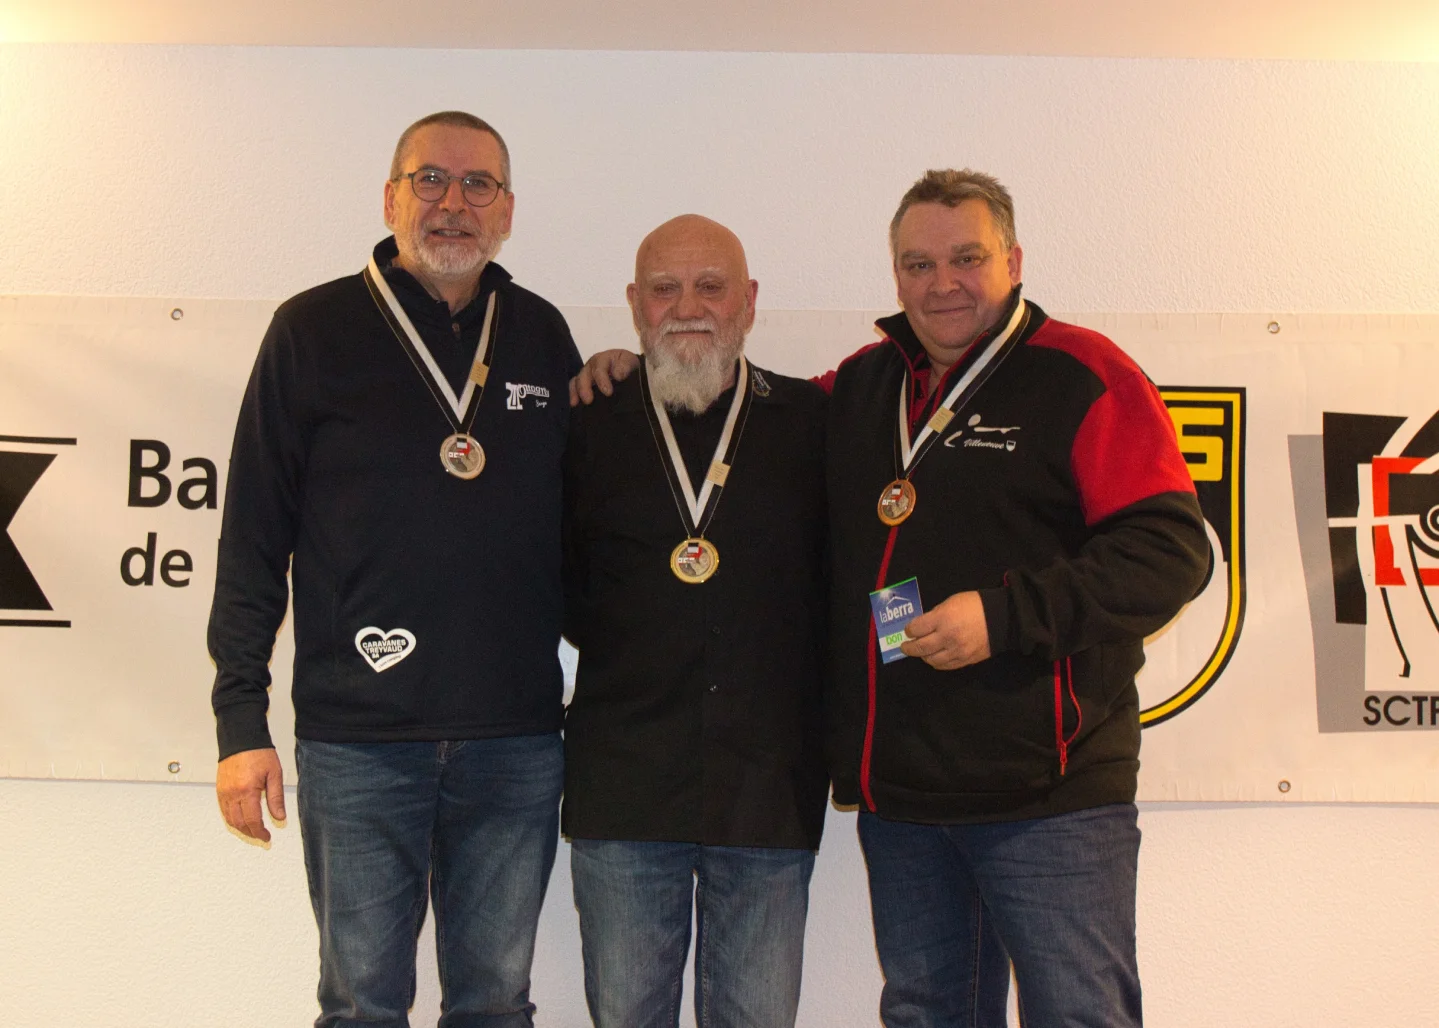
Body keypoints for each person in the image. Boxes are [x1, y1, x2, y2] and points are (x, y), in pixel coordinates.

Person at [572, 171, 1209, 1027]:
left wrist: (1004, 617)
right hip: (903, 798)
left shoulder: (1081, 374)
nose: (942, 283)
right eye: (918, 264)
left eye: (966, 258)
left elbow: (1170, 553)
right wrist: (630, 370)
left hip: (1048, 797)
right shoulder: (857, 391)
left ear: (1013, 261)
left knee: (1077, 1014)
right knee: (924, 1013)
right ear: (896, 275)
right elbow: (729, 406)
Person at [208, 111, 581, 1028]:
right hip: (359, 740)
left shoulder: (540, 334)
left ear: (506, 211)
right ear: (390, 197)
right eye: (430, 179)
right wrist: (240, 721)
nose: (453, 202)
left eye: (478, 184)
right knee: (361, 1006)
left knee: (495, 1005)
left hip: (514, 739)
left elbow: (586, 530)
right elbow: (252, 536)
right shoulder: (311, 330)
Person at [562, 215, 829, 1028]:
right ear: (634, 303)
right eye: (664, 289)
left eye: (710, 287)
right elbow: (556, 586)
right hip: (623, 786)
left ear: (748, 301)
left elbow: (846, 581)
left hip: (768, 788)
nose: (687, 307)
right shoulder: (584, 421)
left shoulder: (811, 422)